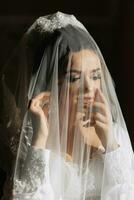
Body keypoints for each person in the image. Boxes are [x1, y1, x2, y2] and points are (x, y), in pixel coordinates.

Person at [1, 11, 134, 200]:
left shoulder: (116, 135)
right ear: (49, 85)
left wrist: (111, 145)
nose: (89, 88)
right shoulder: (29, 140)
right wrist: (39, 141)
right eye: (74, 78)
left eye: (96, 76)